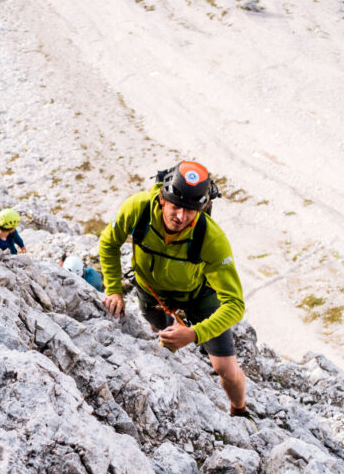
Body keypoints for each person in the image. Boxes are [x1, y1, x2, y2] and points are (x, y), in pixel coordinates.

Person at [98, 160, 249, 417]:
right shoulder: (137, 208)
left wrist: (193, 334)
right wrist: (114, 289)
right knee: (159, 329)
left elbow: (235, 305)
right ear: (161, 198)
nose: (181, 217)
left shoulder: (212, 238)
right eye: (176, 207)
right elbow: (108, 242)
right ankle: (165, 330)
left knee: (226, 368)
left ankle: (240, 410)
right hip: (151, 291)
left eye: (191, 210)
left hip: (199, 295)